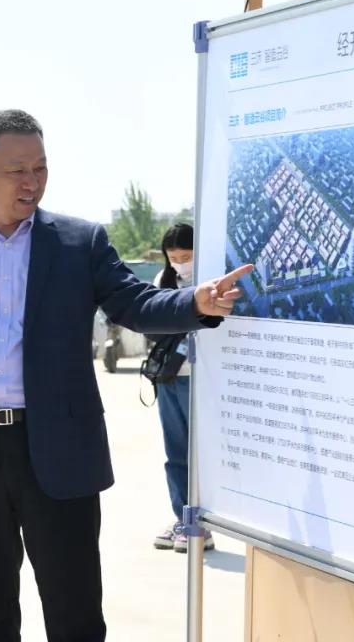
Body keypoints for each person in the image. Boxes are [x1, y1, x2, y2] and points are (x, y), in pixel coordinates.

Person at [0, 109, 251, 642]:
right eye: (17, 170)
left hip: (60, 450)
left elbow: (135, 302)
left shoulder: (80, 243)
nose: (31, 182)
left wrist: (195, 302)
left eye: (40, 168)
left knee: (75, 615)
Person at [147, 224, 214, 554]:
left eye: (186, 257)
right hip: (169, 377)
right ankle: (181, 519)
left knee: (198, 455)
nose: (179, 264)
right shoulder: (163, 279)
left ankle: (202, 525)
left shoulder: (209, 281)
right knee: (175, 452)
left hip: (201, 377)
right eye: (173, 258)